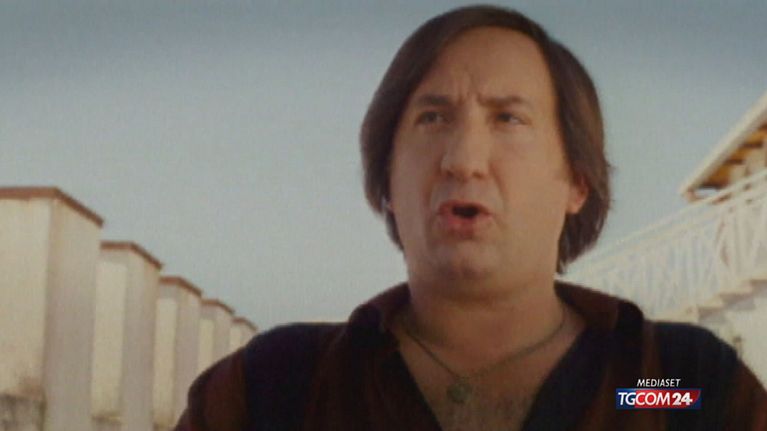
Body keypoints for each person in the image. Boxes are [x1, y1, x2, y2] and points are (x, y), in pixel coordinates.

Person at [175, 5, 767, 430]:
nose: (463, 160)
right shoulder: (280, 389)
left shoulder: (667, 385)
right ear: (387, 179)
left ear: (577, 182)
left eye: (508, 119)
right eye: (433, 118)